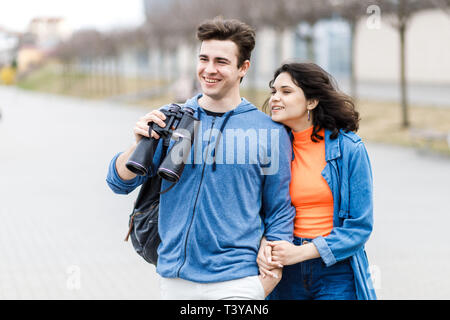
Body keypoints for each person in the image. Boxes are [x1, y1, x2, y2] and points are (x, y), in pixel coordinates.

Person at [106, 18, 295, 300]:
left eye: (221, 61)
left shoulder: (269, 132)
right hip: (174, 278)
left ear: (243, 68)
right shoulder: (171, 119)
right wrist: (136, 146)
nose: (209, 69)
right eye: (203, 59)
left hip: (238, 280)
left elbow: (279, 209)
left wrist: (267, 278)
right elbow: (118, 183)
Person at [257, 62, 377, 300]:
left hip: (336, 270)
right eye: (273, 91)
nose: (274, 99)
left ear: (311, 101)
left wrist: (301, 253)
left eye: (286, 91)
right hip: (283, 269)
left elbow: (359, 226)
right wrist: (262, 243)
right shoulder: (267, 148)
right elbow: (253, 209)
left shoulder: (349, 149)